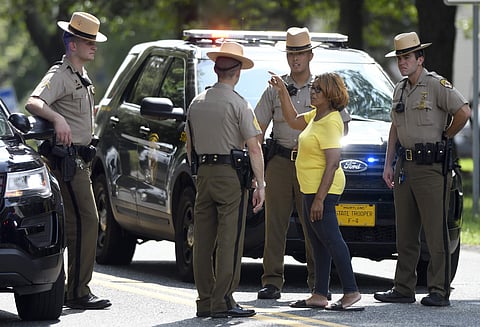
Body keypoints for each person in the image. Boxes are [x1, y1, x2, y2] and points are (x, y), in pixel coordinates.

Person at [374, 32, 471, 307]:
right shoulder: (399, 88)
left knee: (435, 231)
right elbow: (395, 125)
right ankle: (403, 287)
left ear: (420, 59)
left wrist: (445, 136)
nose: (402, 63)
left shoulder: (436, 84)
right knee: (405, 232)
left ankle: (439, 289)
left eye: (407, 58)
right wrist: (388, 163)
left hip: (431, 168)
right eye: (399, 58)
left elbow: (463, 111)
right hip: (405, 165)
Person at [255, 27, 351, 299]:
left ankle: (316, 284)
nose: (295, 58)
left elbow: (341, 128)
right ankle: (272, 281)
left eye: (299, 53)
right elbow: (258, 128)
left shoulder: (324, 87)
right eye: (290, 53)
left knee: (315, 225)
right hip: (282, 161)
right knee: (275, 224)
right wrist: (256, 169)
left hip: (316, 165)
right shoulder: (276, 88)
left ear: (310, 55)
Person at [25, 12, 111, 310]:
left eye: (94, 41)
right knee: (87, 222)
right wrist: (58, 117)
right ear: (72, 44)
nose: (94, 46)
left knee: (79, 224)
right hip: (68, 162)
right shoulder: (61, 74)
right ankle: (78, 291)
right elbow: (34, 102)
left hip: (79, 160)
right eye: (88, 41)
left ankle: (74, 289)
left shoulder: (80, 76)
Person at [268, 71, 363, 311]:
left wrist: (320, 199)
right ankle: (320, 294)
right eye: (313, 87)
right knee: (318, 241)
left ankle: (351, 291)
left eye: (318, 89)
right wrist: (281, 92)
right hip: (309, 188)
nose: (312, 91)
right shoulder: (315, 116)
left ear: (330, 94)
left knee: (332, 239)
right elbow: (291, 120)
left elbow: (333, 162)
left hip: (324, 190)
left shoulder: (331, 120)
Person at [186, 41, 266, 318]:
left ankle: (205, 301)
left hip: (204, 173)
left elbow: (190, 146)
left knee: (203, 240)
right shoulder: (239, 103)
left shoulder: (197, 102)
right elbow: (254, 147)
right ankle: (224, 301)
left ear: (217, 70)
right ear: (238, 71)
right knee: (229, 240)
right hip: (230, 176)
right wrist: (261, 184)